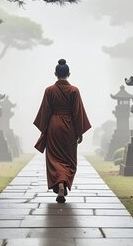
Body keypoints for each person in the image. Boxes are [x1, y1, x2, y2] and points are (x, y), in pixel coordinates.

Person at [33, 59, 91, 203]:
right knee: (68, 159)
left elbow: (45, 111)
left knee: (54, 159)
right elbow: (78, 112)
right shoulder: (74, 90)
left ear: (55, 74)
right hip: (69, 127)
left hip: (54, 126)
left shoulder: (50, 90)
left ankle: (59, 183)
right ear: (69, 74)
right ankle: (63, 183)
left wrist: (44, 130)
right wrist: (79, 132)